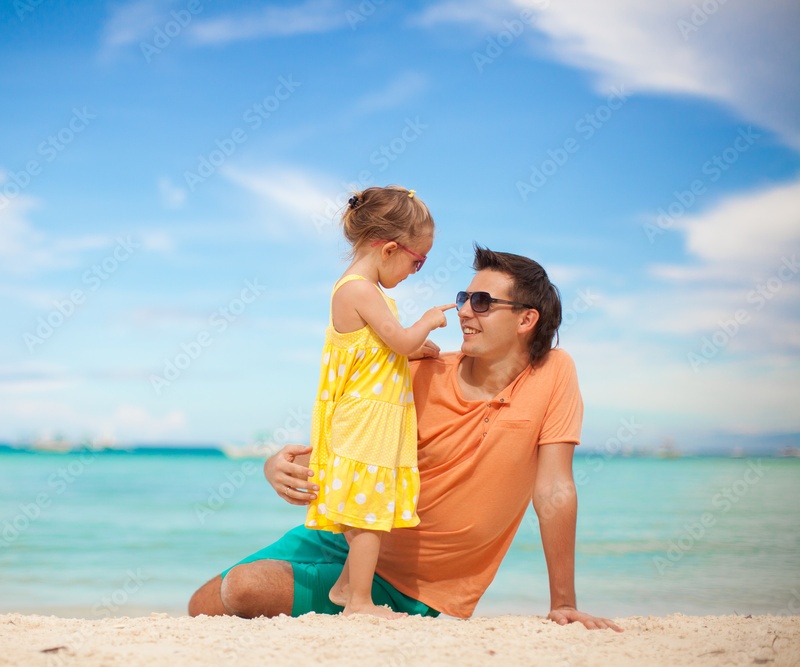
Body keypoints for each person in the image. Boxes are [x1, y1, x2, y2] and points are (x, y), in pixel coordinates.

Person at [188, 245, 622, 632]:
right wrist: (277, 467)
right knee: (203, 602)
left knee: (243, 590)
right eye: (463, 298)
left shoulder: (553, 372)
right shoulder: (416, 371)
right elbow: (352, 453)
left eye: (483, 302)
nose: (464, 312)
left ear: (528, 319)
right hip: (347, 533)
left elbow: (554, 490)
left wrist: (563, 604)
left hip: (415, 587)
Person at [302, 185, 455, 618]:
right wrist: (426, 323)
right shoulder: (358, 290)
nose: (415, 271)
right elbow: (401, 337)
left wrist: (412, 349)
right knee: (368, 512)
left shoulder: (367, 293)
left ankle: (345, 588)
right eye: (417, 261)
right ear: (388, 249)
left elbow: (387, 348)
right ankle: (360, 603)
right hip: (365, 418)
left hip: (374, 417)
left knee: (370, 504)